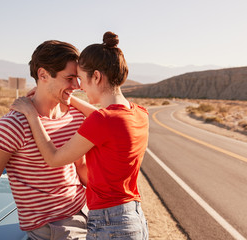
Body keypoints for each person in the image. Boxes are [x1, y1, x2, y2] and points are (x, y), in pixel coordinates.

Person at [10, 31, 149, 240]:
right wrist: (68, 98)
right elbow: (104, 118)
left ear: (96, 76)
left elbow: (54, 159)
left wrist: (31, 114)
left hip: (109, 223)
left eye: (81, 79)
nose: (79, 87)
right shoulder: (139, 113)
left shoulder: (101, 121)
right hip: (134, 217)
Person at [0, 40, 88, 240]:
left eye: (78, 78)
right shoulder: (12, 126)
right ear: (43, 75)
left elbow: (82, 169)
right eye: (70, 78)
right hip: (54, 230)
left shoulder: (76, 116)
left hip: (88, 213)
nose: (77, 86)